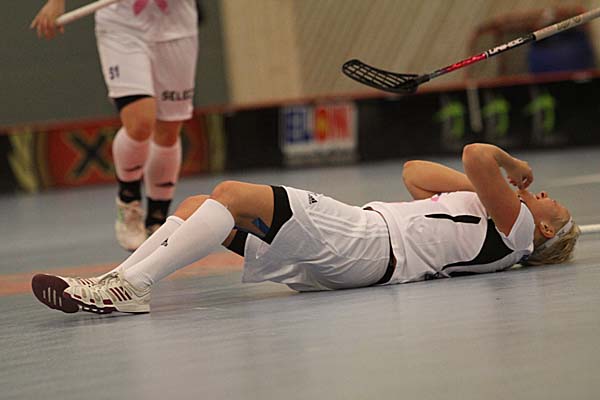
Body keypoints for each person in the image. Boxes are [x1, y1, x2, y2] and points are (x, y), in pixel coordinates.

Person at [31, 143, 581, 314]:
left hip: (369, 243)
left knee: (230, 194)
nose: (545, 197)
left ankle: (132, 288)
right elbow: (415, 172)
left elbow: (478, 154)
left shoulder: (515, 233)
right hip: (361, 253)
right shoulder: (488, 213)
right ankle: (114, 282)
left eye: (553, 208)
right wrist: (490, 187)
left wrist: (510, 168)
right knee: (204, 205)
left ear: (544, 233)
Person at [31, 0, 201, 251]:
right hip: (122, 26)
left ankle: (158, 220)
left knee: (168, 131)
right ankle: (128, 201)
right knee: (140, 122)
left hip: (176, 27)